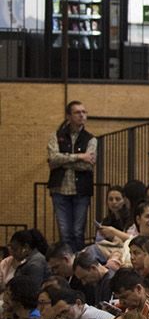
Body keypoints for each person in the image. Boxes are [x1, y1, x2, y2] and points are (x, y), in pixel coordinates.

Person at [46, 99, 95, 252]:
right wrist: (79, 156)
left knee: (78, 232)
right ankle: (66, 261)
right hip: (59, 189)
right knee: (65, 232)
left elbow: (88, 164)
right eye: (77, 112)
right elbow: (52, 159)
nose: (82, 115)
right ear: (68, 116)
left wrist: (63, 160)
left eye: (84, 112)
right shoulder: (56, 136)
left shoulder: (91, 139)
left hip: (81, 190)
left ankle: (78, 264)